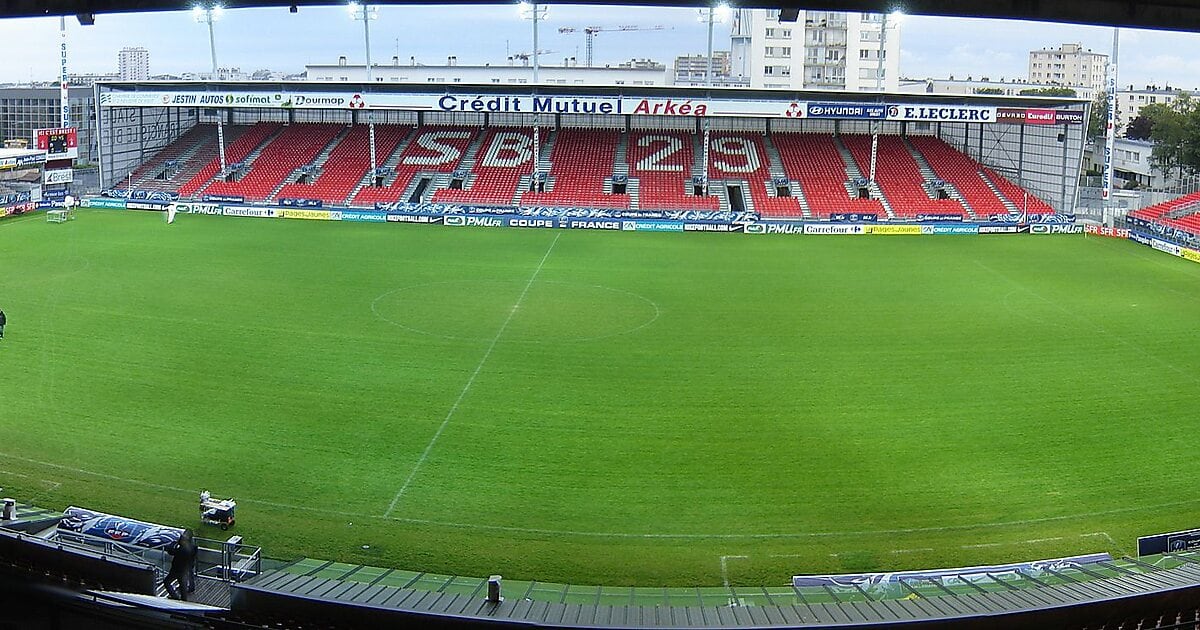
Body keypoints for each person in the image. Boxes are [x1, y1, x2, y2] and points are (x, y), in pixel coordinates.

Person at [162, 529, 197, 600]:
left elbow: (171, 551)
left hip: (177, 569)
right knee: (183, 585)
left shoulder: (182, 549)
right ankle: (184, 600)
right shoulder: (193, 547)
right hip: (185, 569)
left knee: (167, 582)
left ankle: (175, 597)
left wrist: (174, 543)